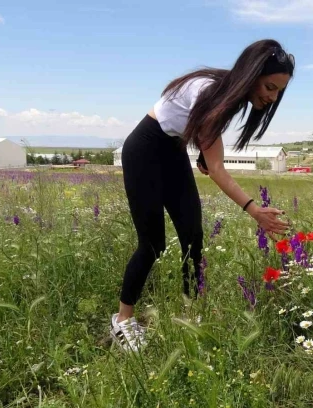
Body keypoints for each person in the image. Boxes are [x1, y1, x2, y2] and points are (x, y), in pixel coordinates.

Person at [110, 39, 295, 351]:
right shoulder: (212, 92)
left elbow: (195, 131)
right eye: (269, 86)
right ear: (252, 74)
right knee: (152, 244)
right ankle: (123, 321)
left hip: (172, 150)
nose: (272, 96)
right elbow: (218, 168)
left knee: (193, 236)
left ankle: (190, 313)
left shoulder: (228, 95)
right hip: (144, 150)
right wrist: (254, 210)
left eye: (278, 91)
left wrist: (200, 153)